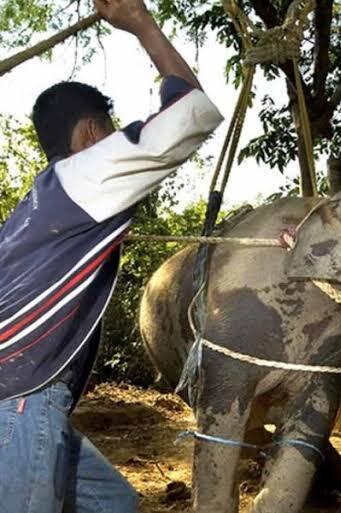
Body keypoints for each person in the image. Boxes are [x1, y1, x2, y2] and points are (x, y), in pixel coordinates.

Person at [0, 0, 223, 511]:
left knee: (115, 504)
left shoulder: (46, 201)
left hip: (26, 396)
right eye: (111, 128)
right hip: (20, 401)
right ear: (91, 135)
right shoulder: (84, 175)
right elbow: (191, 113)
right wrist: (141, 24)